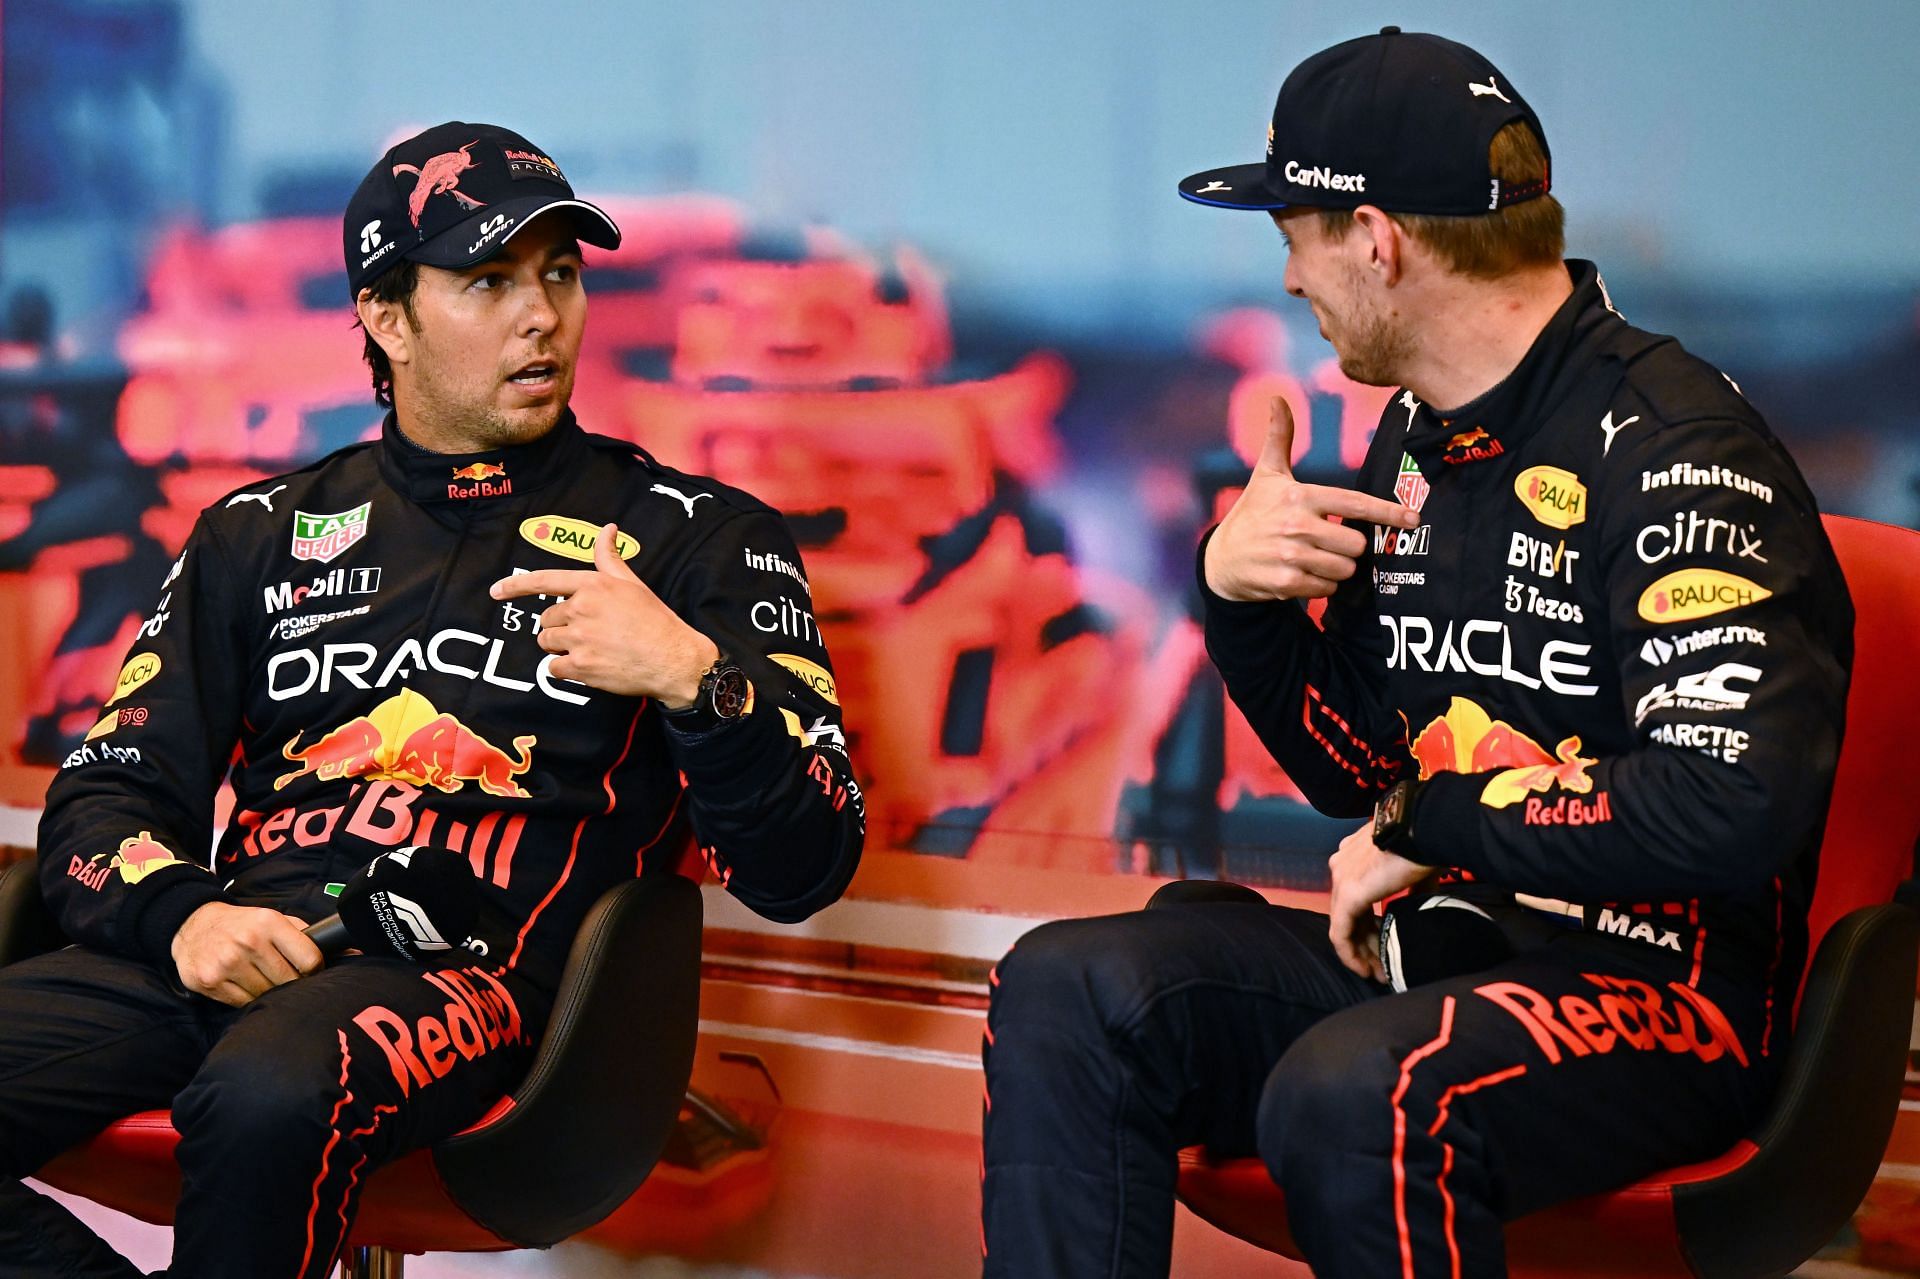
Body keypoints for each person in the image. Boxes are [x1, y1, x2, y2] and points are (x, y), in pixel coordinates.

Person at [981, 29, 1850, 1279]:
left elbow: (1728, 801)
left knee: (1359, 1095)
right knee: (1070, 989)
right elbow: (1358, 772)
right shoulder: (1420, 437)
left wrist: (1437, 821)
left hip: (1665, 993)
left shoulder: (1677, 449)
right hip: (1430, 948)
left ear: (1376, 240)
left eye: (1293, 235)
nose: (1289, 279)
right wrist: (1238, 597)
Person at [0, 121, 864, 1278]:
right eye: (489, 281)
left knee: (265, 1092)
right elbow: (104, 799)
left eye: (560, 275)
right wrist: (188, 918)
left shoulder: (696, 536)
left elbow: (807, 867)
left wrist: (692, 677)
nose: (541, 315)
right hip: (238, 947)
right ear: (388, 316)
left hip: (472, 982)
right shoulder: (253, 533)